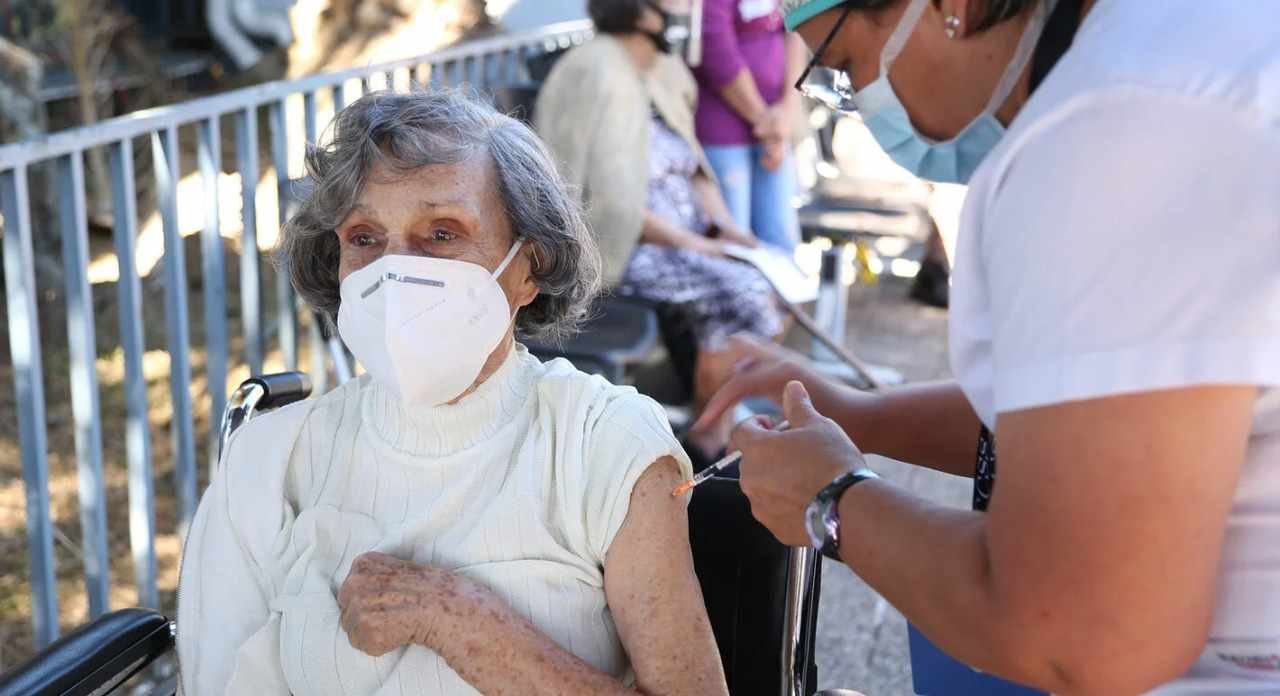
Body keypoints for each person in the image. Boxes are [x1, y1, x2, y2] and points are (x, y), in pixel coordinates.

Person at [697, 0, 1280, 693]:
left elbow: (1080, 631)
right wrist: (862, 415)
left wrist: (830, 503)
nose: (859, 101)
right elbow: (1090, 423)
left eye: (846, 67)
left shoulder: (1113, 131)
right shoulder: (1176, 55)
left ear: (952, 9)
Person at [176, 89, 728, 696]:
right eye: (363, 238)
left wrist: (465, 624)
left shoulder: (603, 443)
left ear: (528, 268)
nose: (395, 268)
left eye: (442, 233)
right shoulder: (270, 461)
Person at [535, 0, 787, 462]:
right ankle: (707, 438)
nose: (682, 8)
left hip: (685, 241)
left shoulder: (662, 72)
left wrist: (729, 231)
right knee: (744, 292)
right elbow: (608, 202)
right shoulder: (592, 70)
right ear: (640, 12)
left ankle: (716, 419)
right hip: (624, 249)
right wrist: (699, 245)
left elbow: (693, 168)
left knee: (773, 272)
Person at [692, 0, 807, 253]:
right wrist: (768, 124)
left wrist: (788, 107)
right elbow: (717, 51)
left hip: (776, 122)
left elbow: (797, 25)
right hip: (723, 133)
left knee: (781, 240)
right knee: (734, 244)